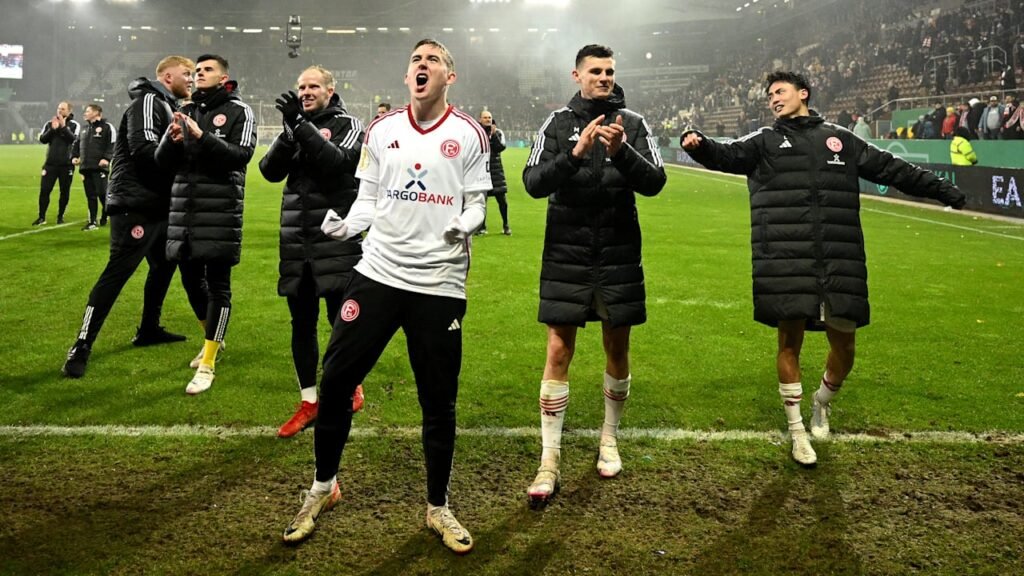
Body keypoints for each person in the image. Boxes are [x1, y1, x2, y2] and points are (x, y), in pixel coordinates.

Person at [681, 71, 965, 466]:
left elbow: (892, 169)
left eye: (780, 92)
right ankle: (797, 432)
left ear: (804, 94)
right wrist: (698, 145)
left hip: (838, 257)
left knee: (845, 345)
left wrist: (941, 189)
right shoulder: (763, 141)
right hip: (783, 257)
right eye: (770, 95)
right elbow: (725, 154)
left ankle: (821, 401)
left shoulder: (840, 140)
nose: (774, 99)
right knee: (788, 341)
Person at [281, 39, 490, 554]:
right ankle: (322, 489)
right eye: (416, 60)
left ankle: (438, 507)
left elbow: (478, 206)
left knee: (437, 401)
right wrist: (344, 225)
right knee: (336, 384)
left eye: (433, 61)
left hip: (438, 284)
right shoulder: (382, 130)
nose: (423, 66)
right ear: (407, 76)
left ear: (449, 77)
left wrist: (463, 224)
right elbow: (368, 199)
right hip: (376, 273)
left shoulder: (469, 135)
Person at [522, 44, 666, 506]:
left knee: (616, 345)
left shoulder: (635, 124)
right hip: (567, 249)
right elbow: (532, 182)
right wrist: (576, 154)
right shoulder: (558, 123)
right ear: (577, 75)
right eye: (595, 71)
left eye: (609, 71)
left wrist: (622, 153)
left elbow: (656, 182)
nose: (604, 78)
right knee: (558, 347)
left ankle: (609, 438)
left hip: (619, 249)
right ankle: (549, 459)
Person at [62, 56, 195, 379]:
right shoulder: (149, 101)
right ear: (166, 76)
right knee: (117, 273)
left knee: (165, 265)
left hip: (155, 203)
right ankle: (81, 345)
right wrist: (182, 151)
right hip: (136, 205)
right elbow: (144, 151)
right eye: (186, 73)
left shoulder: (163, 104)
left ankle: (149, 328)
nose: (191, 79)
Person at [258, 65, 367, 437]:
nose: (305, 91)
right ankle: (308, 402)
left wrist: (299, 126)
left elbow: (338, 164)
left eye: (313, 86)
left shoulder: (349, 124)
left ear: (330, 89)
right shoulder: (294, 125)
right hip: (296, 241)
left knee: (340, 321)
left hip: (335, 240)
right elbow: (269, 171)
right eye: (300, 86)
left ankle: (349, 387)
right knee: (300, 324)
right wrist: (291, 131)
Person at [155, 54, 256, 395]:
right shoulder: (186, 110)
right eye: (196, 70)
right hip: (185, 211)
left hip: (220, 212)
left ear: (224, 76)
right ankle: (212, 338)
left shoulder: (240, 111)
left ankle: (209, 362)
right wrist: (171, 139)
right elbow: (161, 163)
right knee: (189, 281)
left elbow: (241, 156)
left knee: (218, 285)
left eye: (207, 69)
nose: (199, 74)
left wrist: (202, 137)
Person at [34, 101, 80, 225]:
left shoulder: (75, 125)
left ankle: (60, 216)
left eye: (63, 109)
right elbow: (43, 140)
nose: (60, 111)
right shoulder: (49, 124)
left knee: (64, 191)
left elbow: (75, 140)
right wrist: (52, 130)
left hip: (66, 165)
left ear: (69, 111)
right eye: (59, 108)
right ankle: (41, 217)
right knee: (44, 190)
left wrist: (63, 127)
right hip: (50, 164)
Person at [71, 103, 115, 230]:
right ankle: (92, 222)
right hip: (85, 167)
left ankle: (107, 213)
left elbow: (112, 144)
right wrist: (74, 156)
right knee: (90, 195)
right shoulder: (84, 129)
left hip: (100, 167)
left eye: (88, 111)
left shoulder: (107, 127)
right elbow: (76, 144)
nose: (85, 113)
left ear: (97, 113)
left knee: (102, 193)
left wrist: (106, 158)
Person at [476, 109, 510, 235]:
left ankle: (506, 225)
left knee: (502, 200)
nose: (488, 119)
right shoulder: (476, 133)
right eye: (485, 117)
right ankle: (482, 227)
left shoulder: (498, 133)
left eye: (489, 117)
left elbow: (500, 147)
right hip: (481, 171)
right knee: (482, 201)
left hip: (496, 172)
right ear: (480, 119)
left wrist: (494, 135)